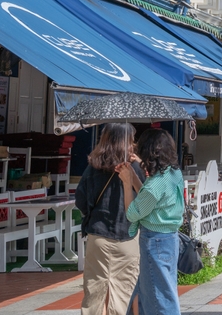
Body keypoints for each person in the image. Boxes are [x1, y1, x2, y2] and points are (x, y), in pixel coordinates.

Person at [76, 123, 146, 315]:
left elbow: (80, 200)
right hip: (128, 236)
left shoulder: (93, 167)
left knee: (94, 294)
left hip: (97, 235)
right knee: (122, 295)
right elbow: (146, 198)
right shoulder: (134, 168)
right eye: (131, 140)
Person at [117, 128, 184, 315]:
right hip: (169, 239)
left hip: (154, 241)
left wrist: (126, 182)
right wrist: (136, 173)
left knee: (158, 297)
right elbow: (148, 196)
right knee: (157, 291)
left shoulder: (156, 184)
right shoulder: (173, 173)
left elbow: (133, 213)